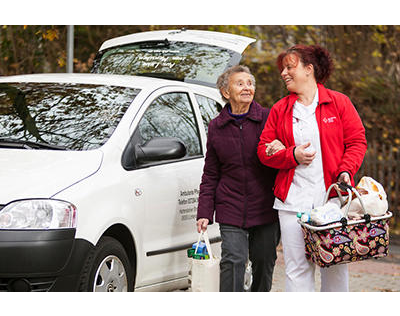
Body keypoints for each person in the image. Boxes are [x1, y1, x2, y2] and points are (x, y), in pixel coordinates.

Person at [257, 44, 367, 292]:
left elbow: (357, 141)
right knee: (297, 269)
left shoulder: (339, 103)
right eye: (282, 68)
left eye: (290, 67)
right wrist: (291, 155)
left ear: (309, 69)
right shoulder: (280, 109)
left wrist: (346, 170)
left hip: (332, 201)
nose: (284, 73)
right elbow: (263, 151)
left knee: (335, 264)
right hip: (292, 202)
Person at [196, 65, 281, 292]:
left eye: (250, 83)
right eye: (240, 83)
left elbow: (285, 152)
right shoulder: (216, 127)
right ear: (226, 92)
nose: (247, 88)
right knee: (233, 261)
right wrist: (204, 211)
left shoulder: (268, 117)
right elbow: (211, 173)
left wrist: (281, 147)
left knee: (264, 262)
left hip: (265, 205)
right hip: (230, 205)